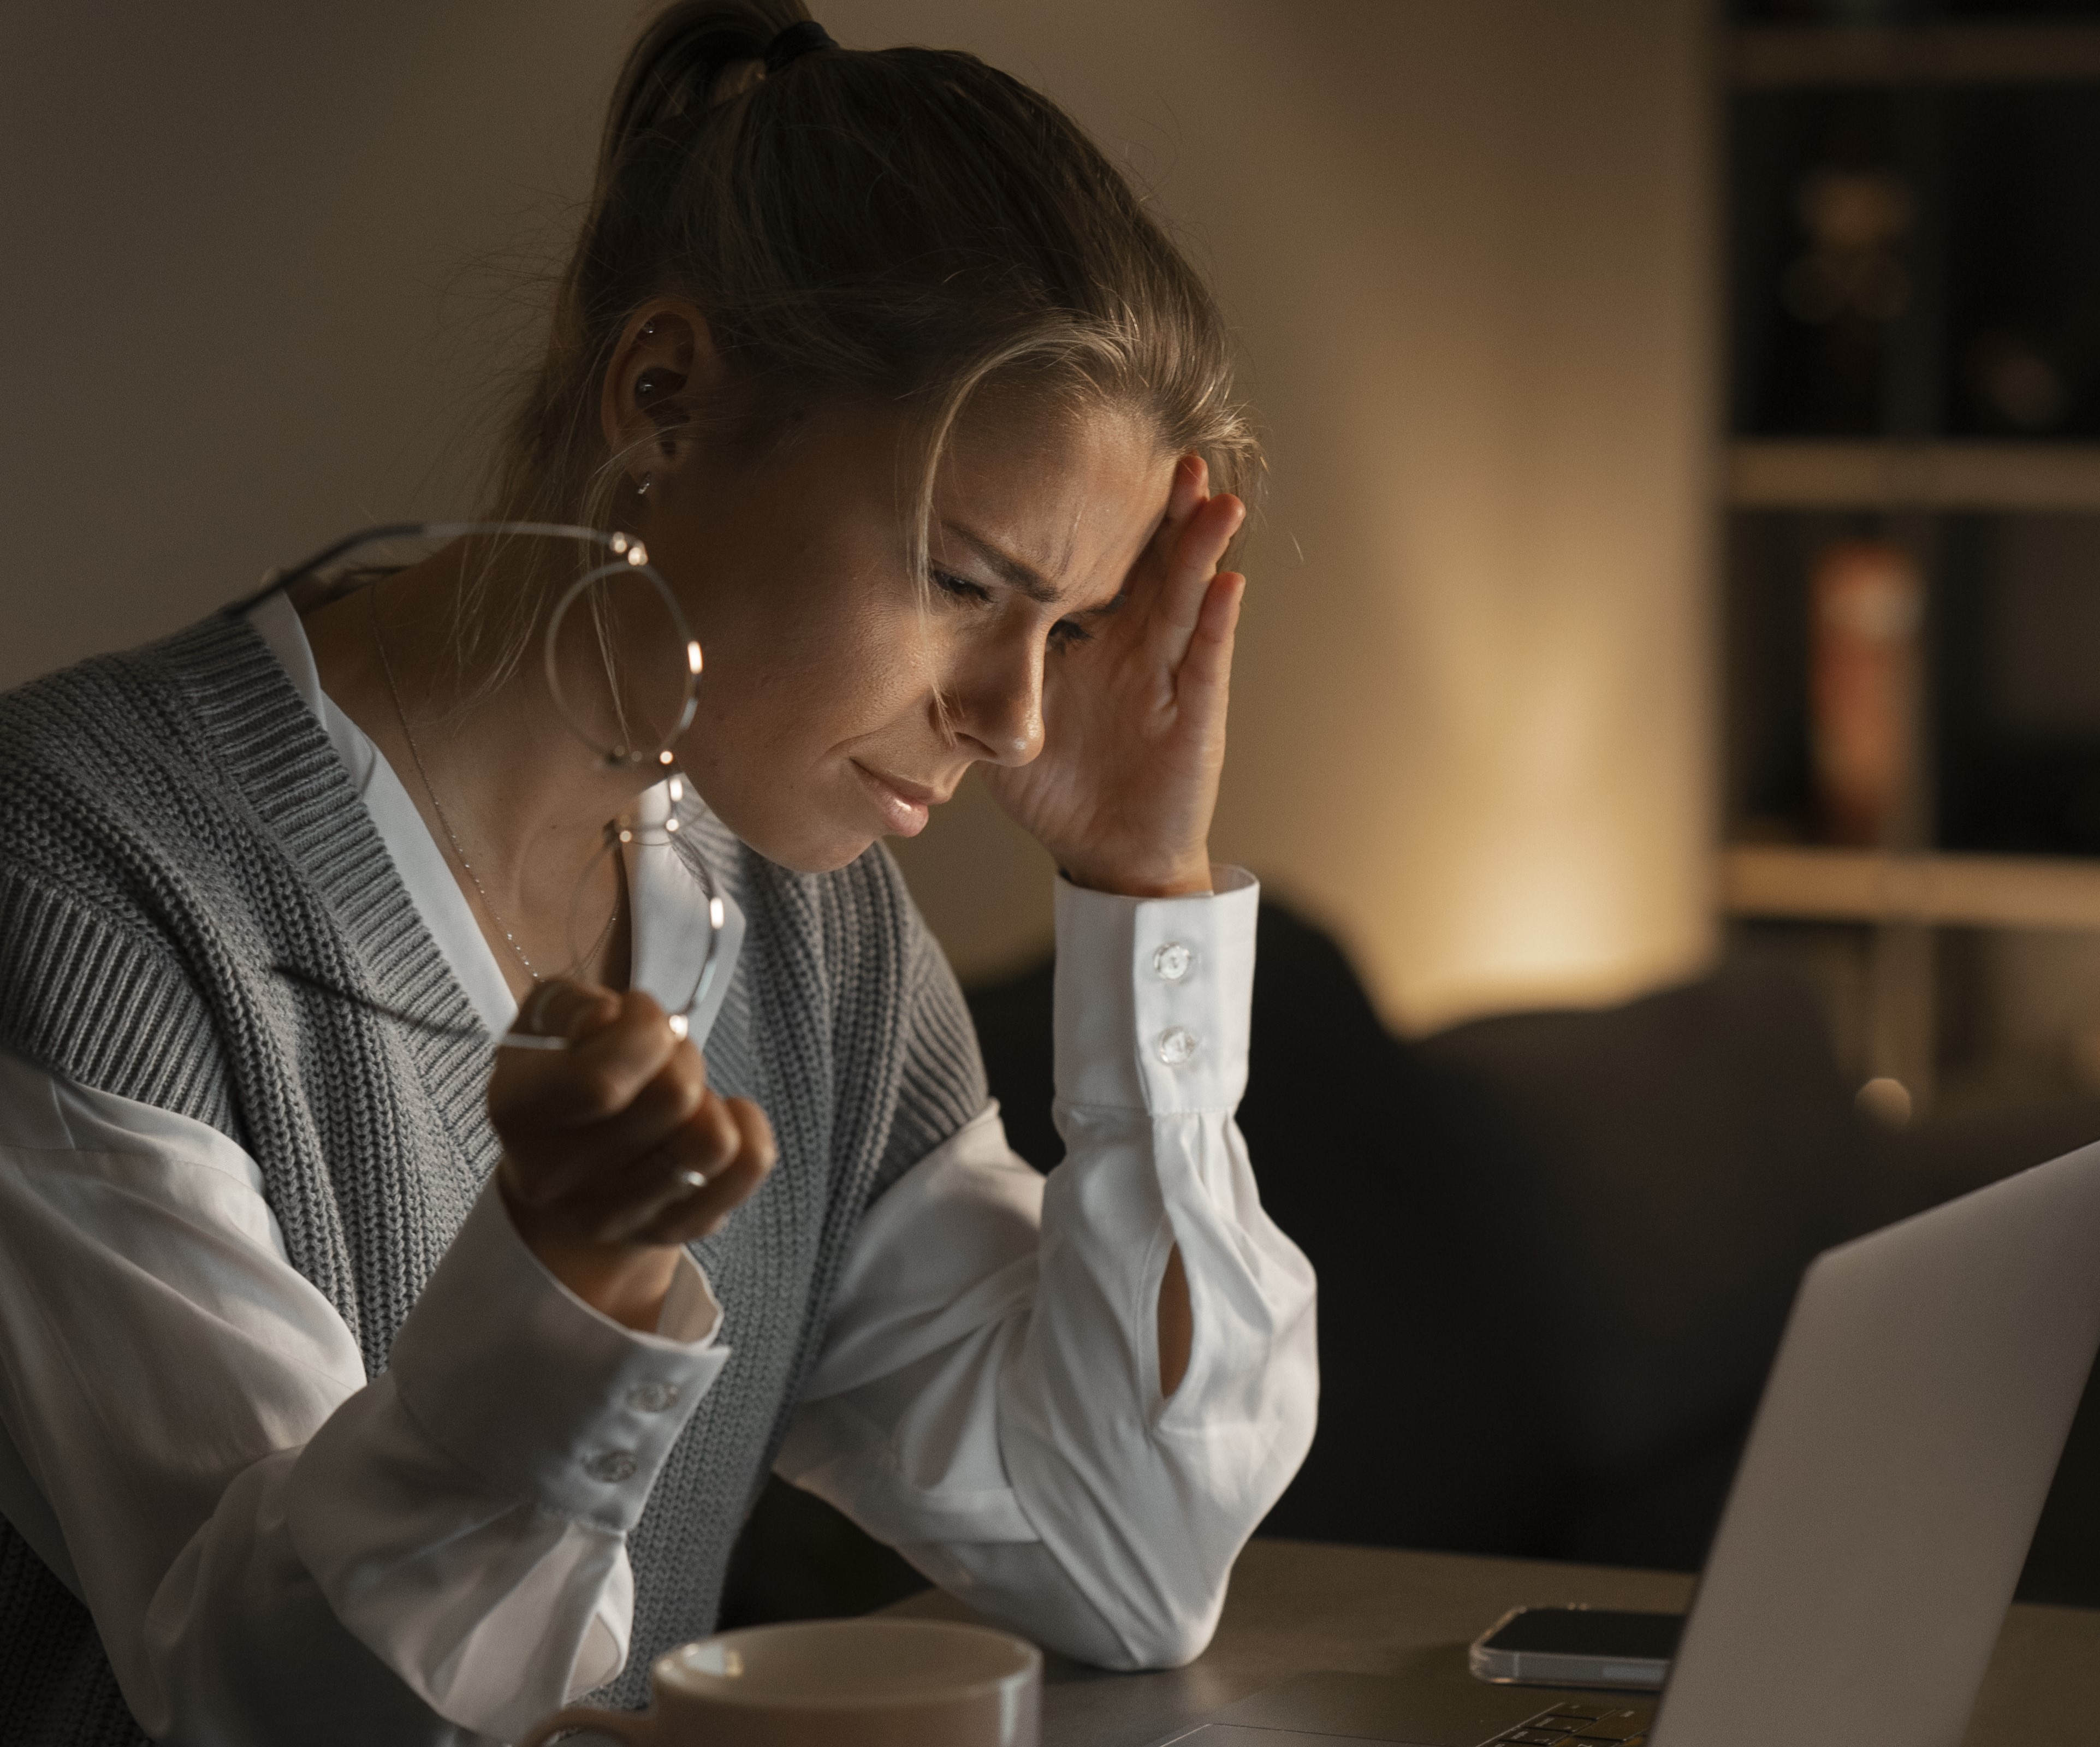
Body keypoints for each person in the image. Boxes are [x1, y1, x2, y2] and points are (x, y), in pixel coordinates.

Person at [0, 5, 1318, 1743]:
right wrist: (560, 1285)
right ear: (663, 395)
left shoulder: (813, 921)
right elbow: (277, 1703)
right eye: (963, 579)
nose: (1013, 721)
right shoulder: (93, 873)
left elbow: (1129, 1558)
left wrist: (1148, 895)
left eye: (1070, 627)